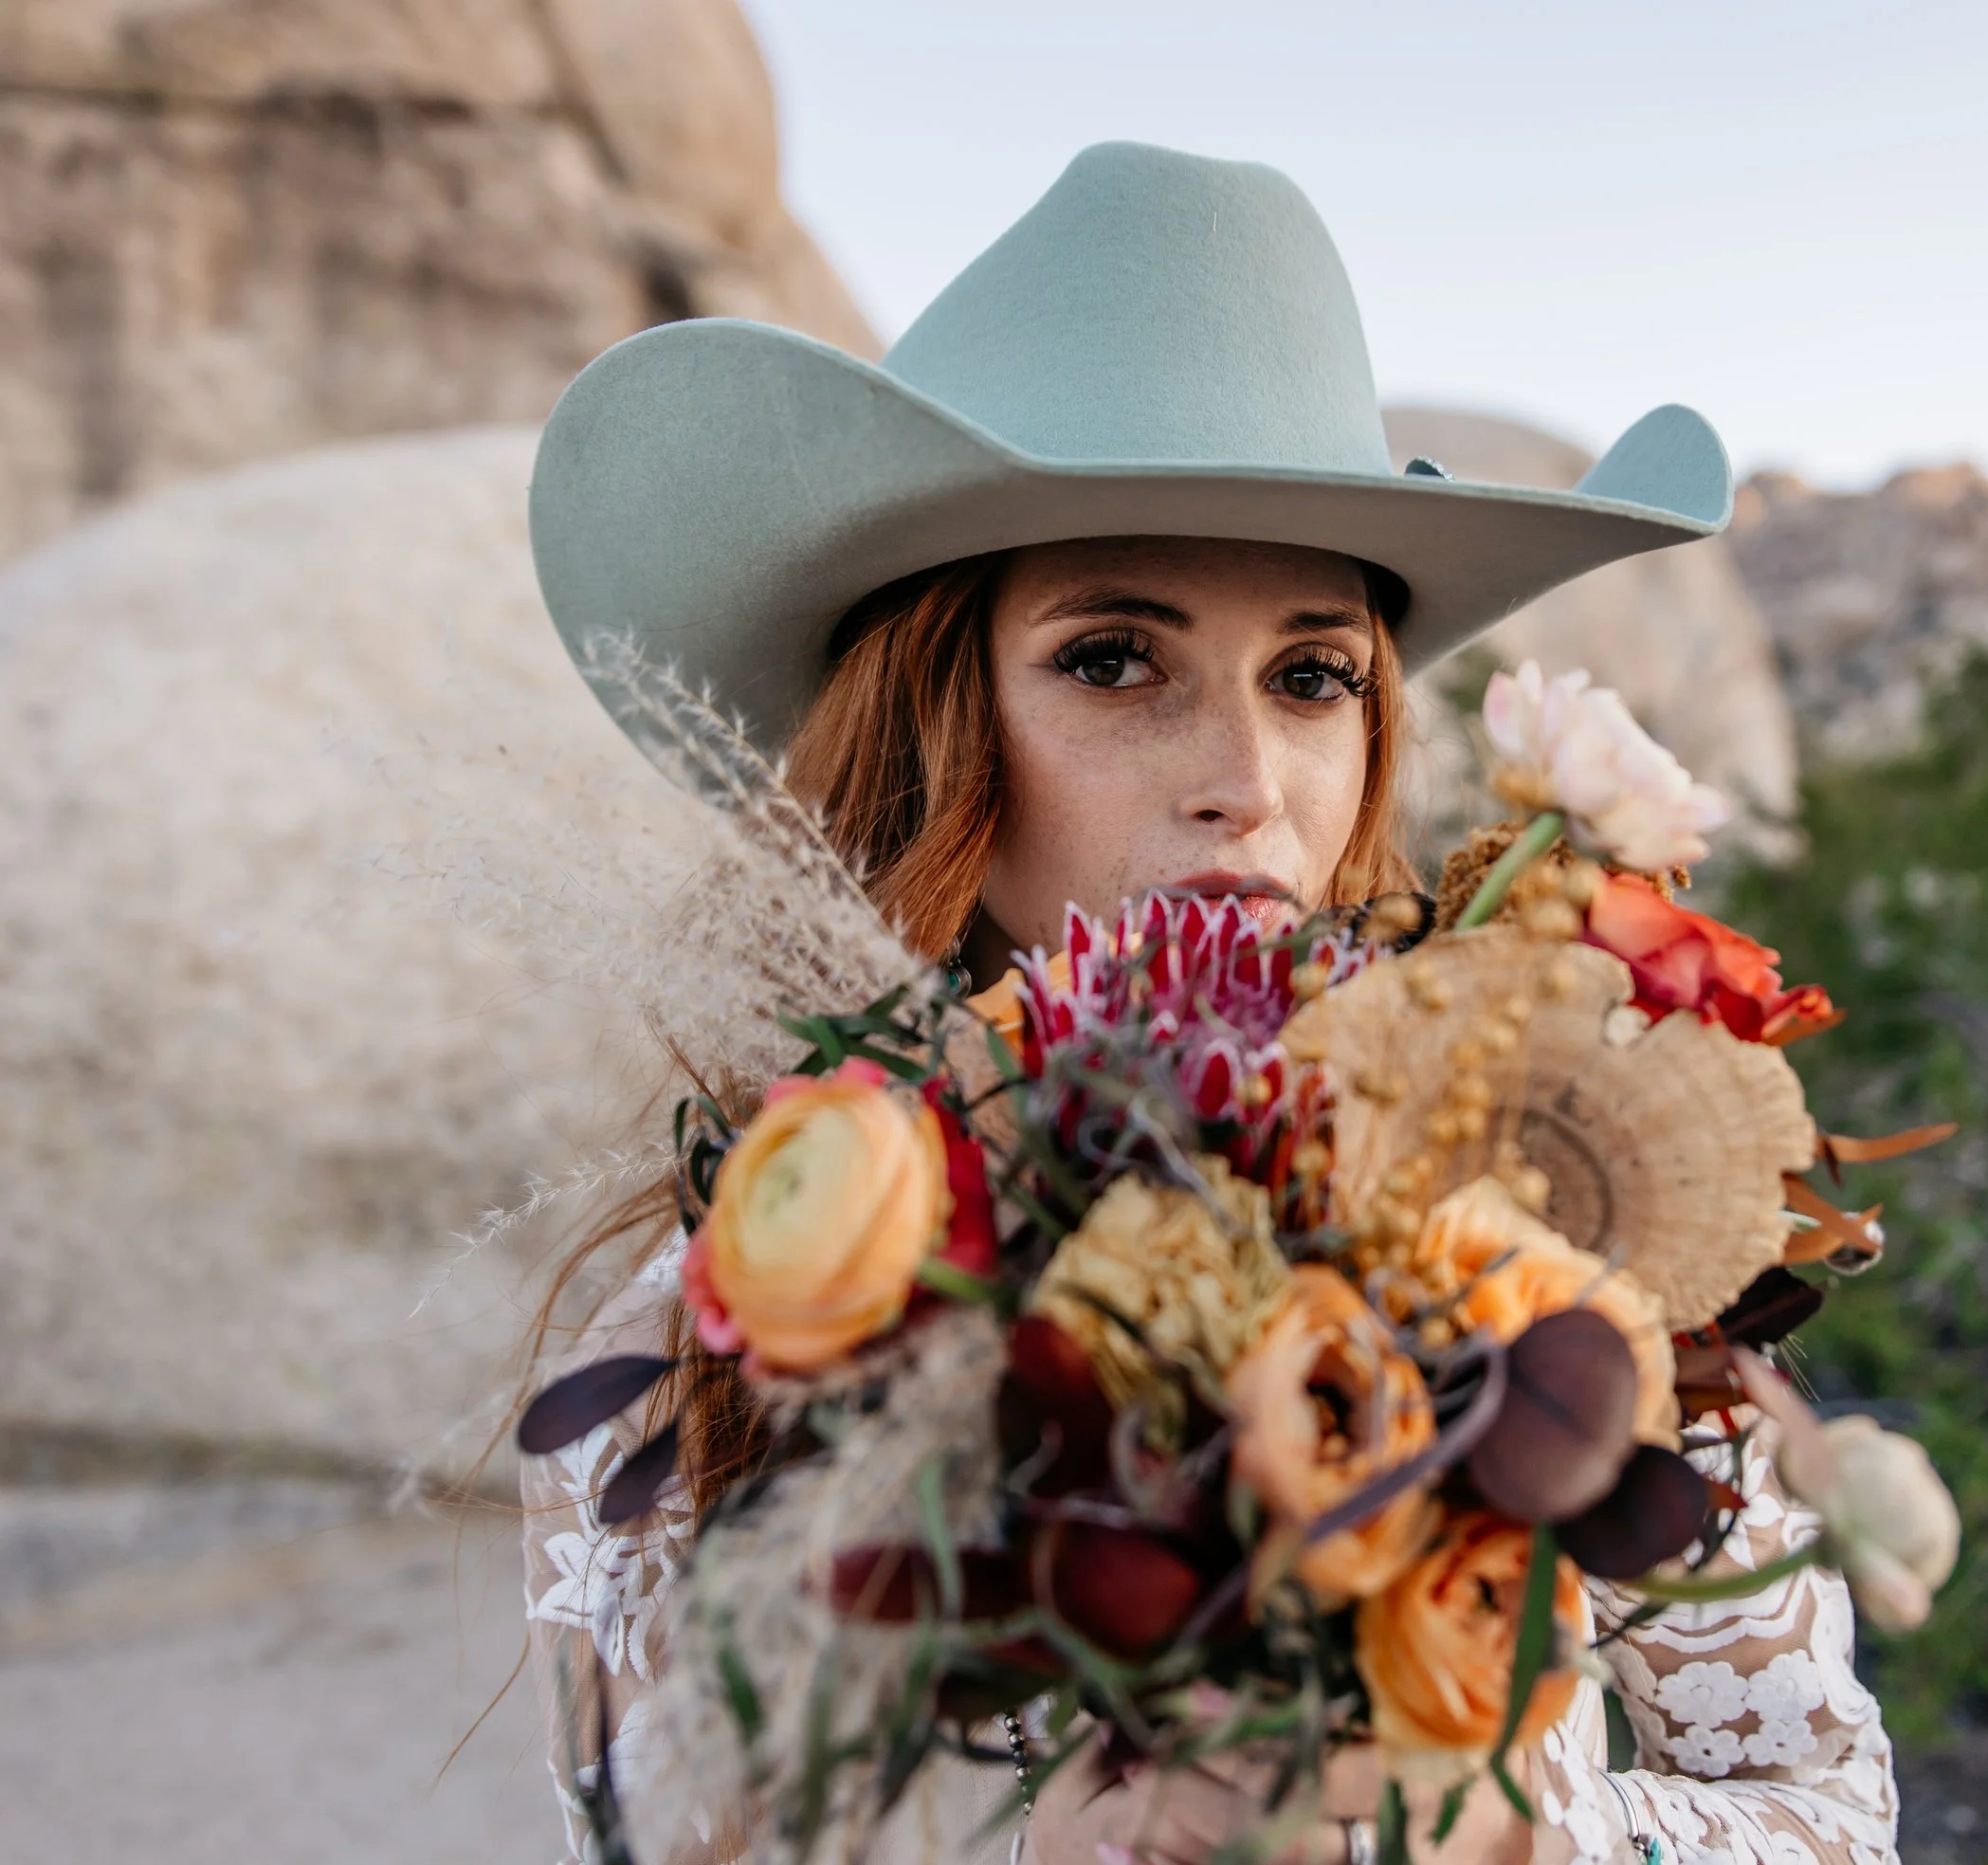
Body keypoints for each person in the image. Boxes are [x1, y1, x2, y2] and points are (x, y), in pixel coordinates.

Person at [519, 142, 1899, 1865]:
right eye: (1114, 659)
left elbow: (1828, 1812)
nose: (1247, 780)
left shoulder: (1562, 1231)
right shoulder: (704, 1340)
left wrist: (1525, 1842)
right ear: (936, 725)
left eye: (1312, 675)